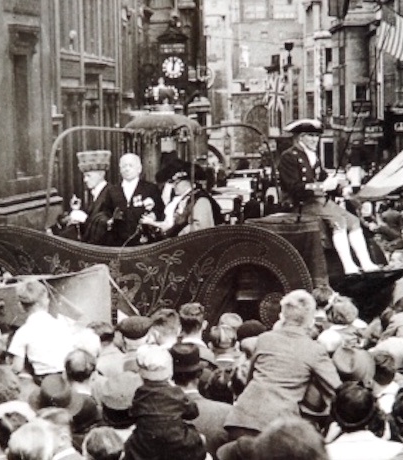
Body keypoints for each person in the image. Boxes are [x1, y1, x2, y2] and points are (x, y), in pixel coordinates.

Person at [224, 289, 342, 438]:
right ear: (311, 319)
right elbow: (337, 391)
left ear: (282, 316)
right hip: (275, 427)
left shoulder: (265, 339)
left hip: (241, 418)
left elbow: (249, 379)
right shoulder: (314, 350)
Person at [277, 119, 379, 274]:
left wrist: (342, 189)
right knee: (339, 221)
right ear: (300, 137)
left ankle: (366, 263)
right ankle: (348, 266)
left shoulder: (313, 157)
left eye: (316, 136)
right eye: (311, 136)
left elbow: (324, 178)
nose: (315, 140)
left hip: (319, 201)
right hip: (302, 203)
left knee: (354, 221)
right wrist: (322, 186)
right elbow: (294, 187)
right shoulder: (289, 157)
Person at [124, 344, 206, 460]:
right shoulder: (176, 392)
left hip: (146, 443)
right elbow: (193, 412)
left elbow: (133, 413)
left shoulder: (139, 393)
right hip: (177, 441)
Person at [7, 279, 74, 381]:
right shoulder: (63, 323)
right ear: (46, 301)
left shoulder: (23, 332)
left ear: (21, 306)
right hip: (67, 376)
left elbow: (17, 367)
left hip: (43, 380)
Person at [141, 163, 219, 238]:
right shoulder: (178, 199)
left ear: (190, 181)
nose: (173, 186)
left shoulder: (201, 200)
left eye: (177, 182)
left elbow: (200, 230)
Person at [54, 150, 114, 245]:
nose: (85, 180)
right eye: (84, 176)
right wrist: (77, 209)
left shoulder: (111, 194)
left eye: (88, 176)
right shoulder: (95, 194)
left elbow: (106, 229)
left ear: (101, 174)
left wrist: (84, 219)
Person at [103, 153, 164, 246]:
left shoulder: (150, 188)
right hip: (118, 242)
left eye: (130, 165)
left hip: (144, 240)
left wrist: (153, 216)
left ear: (139, 168)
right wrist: (110, 220)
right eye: (124, 166)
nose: (127, 169)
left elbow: (160, 209)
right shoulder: (112, 190)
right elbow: (106, 211)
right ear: (120, 169)